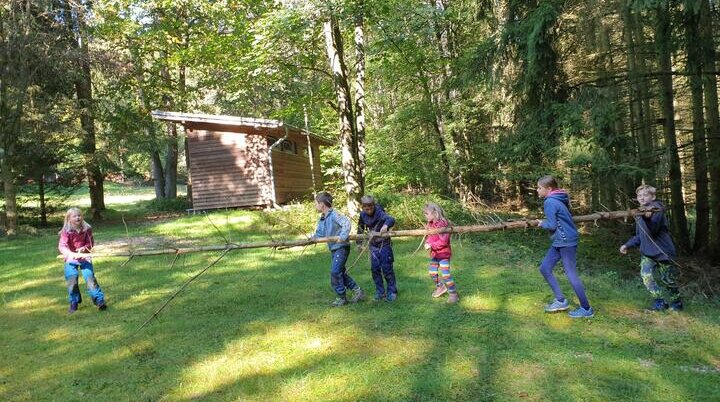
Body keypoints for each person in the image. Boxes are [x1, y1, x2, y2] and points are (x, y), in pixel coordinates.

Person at [536, 175, 594, 318]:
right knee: (545, 268)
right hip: (561, 240)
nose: (537, 190)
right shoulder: (559, 198)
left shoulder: (549, 201)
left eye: (539, 188)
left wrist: (541, 223)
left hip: (565, 241)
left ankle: (586, 309)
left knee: (571, 274)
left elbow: (552, 225)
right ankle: (561, 300)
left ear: (549, 189)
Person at [620, 184, 682, 311]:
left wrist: (646, 217)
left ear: (653, 196)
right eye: (639, 195)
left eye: (645, 195)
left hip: (663, 252)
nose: (642, 198)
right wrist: (627, 245)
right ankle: (660, 302)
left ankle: (677, 304)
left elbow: (653, 228)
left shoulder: (657, 209)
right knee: (646, 277)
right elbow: (640, 235)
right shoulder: (640, 212)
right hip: (648, 253)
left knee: (668, 280)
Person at [313, 192, 364, 307]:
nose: (315, 206)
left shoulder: (335, 215)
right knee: (340, 272)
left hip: (341, 248)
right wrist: (312, 238)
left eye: (316, 203)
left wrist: (342, 236)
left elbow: (346, 223)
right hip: (334, 249)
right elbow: (320, 233)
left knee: (335, 272)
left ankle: (341, 297)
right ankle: (358, 290)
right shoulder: (322, 218)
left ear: (322, 204)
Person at [58, 207, 107, 313]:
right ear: (69, 218)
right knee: (72, 280)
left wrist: (84, 248)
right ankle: (74, 302)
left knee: (90, 279)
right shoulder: (66, 231)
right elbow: (62, 246)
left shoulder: (87, 229)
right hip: (71, 259)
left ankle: (99, 301)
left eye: (79, 215)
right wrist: (70, 254)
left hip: (85, 257)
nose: (77, 218)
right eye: (74, 216)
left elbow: (90, 243)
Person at [356, 195, 397, 302]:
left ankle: (392, 292)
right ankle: (380, 292)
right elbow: (360, 228)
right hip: (373, 245)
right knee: (375, 270)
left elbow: (390, 219)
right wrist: (359, 244)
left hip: (384, 244)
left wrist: (385, 226)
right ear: (363, 207)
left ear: (374, 205)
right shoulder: (362, 215)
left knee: (387, 269)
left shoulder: (379, 212)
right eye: (366, 209)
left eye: (371, 208)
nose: (369, 211)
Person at [423, 203, 459, 303]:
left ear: (435, 213)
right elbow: (429, 237)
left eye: (426, 213)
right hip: (435, 254)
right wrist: (427, 242)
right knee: (432, 272)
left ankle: (453, 294)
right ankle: (441, 287)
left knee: (446, 275)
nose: (425, 215)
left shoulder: (443, 225)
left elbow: (443, 241)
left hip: (443, 254)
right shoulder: (430, 224)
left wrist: (432, 245)